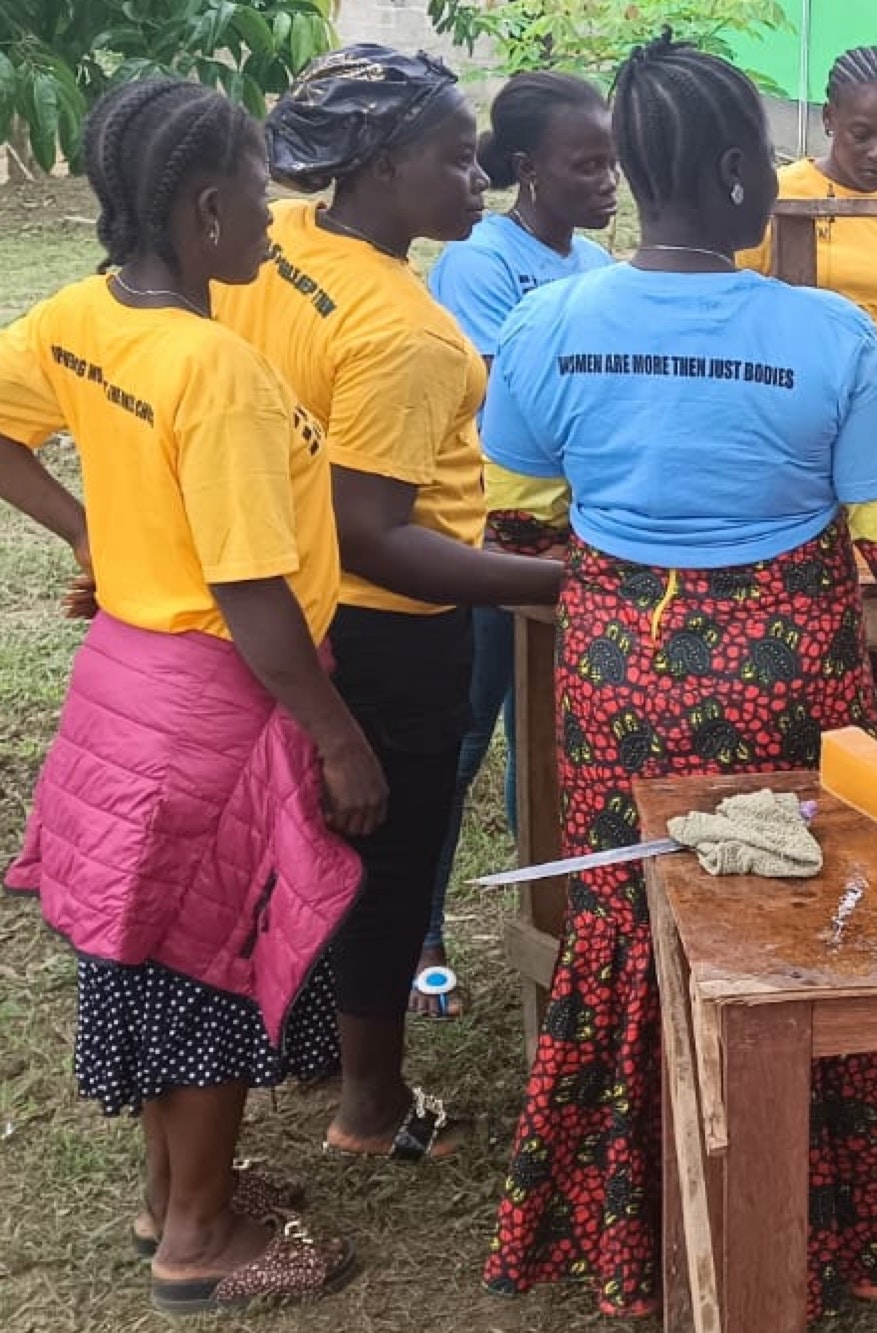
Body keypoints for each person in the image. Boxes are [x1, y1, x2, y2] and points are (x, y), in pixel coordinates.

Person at [477, 34, 877, 1319]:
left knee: (634, 921)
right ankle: (846, 1216)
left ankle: (636, 1217)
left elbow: (520, 514)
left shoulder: (548, 320)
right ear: (732, 173)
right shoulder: (827, 336)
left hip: (614, 669)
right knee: (797, 923)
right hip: (787, 668)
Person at [0, 80, 379, 1311]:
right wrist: (337, 739)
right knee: (214, 966)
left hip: (126, 686)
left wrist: (92, 538)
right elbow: (252, 588)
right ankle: (201, 1243)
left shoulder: (78, 315)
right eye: (263, 197)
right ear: (207, 210)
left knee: (155, 956)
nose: (275, 221)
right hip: (216, 709)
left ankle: (174, 1196)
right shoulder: (211, 367)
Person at [214, 46, 566, 1163]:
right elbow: (382, 536)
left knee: (307, 841)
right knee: (391, 853)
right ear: (374, 167)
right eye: (458, 162)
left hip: (283, 596)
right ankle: (370, 1105)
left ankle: (307, 1039)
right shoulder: (406, 332)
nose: (481, 183)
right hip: (385, 620)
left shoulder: (280, 245)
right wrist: (558, 578)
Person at [420, 70, 618, 1020]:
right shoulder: (480, 263)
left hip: (575, 541)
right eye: (590, 163)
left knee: (541, 740)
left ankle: (557, 913)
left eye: (615, 160)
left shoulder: (594, 266)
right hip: (487, 534)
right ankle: (423, 938)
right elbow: (513, 400)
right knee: (463, 734)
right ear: (530, 169)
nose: (610, 180)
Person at [740, 45, 877, 727]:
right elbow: (740, 308)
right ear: (829, 118)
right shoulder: (780, 198)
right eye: (864, 134)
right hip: (787, 417)